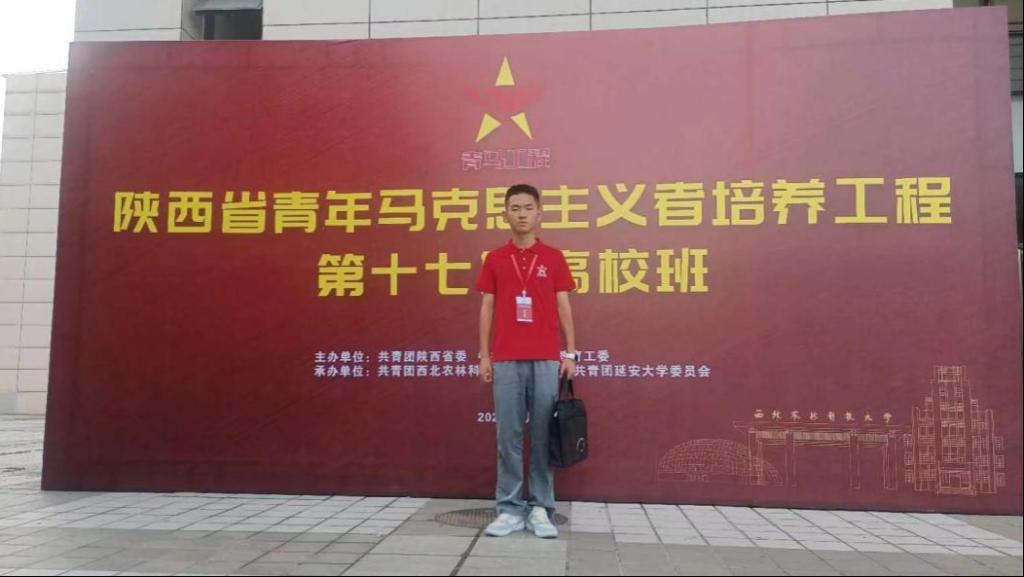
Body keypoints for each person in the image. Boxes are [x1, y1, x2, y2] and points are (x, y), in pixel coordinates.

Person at [475, 183, 579, 539]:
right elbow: (486, 308)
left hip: (546, 359)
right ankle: (509, 508)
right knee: (509, 436)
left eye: (528, 207)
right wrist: (484, 356)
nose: (522, 214)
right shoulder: (495, 259)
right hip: (506, 359)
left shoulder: (553, 257)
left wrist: (570, 353)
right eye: (515, 208)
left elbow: (563, 305)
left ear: (539, 213)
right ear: (505, 214)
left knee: (542, 434)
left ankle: (540, 508)